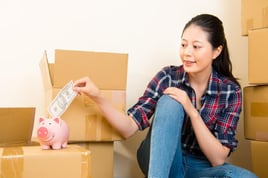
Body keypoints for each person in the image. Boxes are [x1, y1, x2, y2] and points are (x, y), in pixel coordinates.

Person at [73, 14, 258, 178]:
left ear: (216, 51)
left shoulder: (230, 91)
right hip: (159, 160)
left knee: (241, 175)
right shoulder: (168, 77)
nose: (187, 52)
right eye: (184, 44)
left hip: (200, 168)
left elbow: (217, 159)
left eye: (196, 47)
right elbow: (129, 128)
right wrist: (97, 97)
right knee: (171, 102)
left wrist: (191, 111)